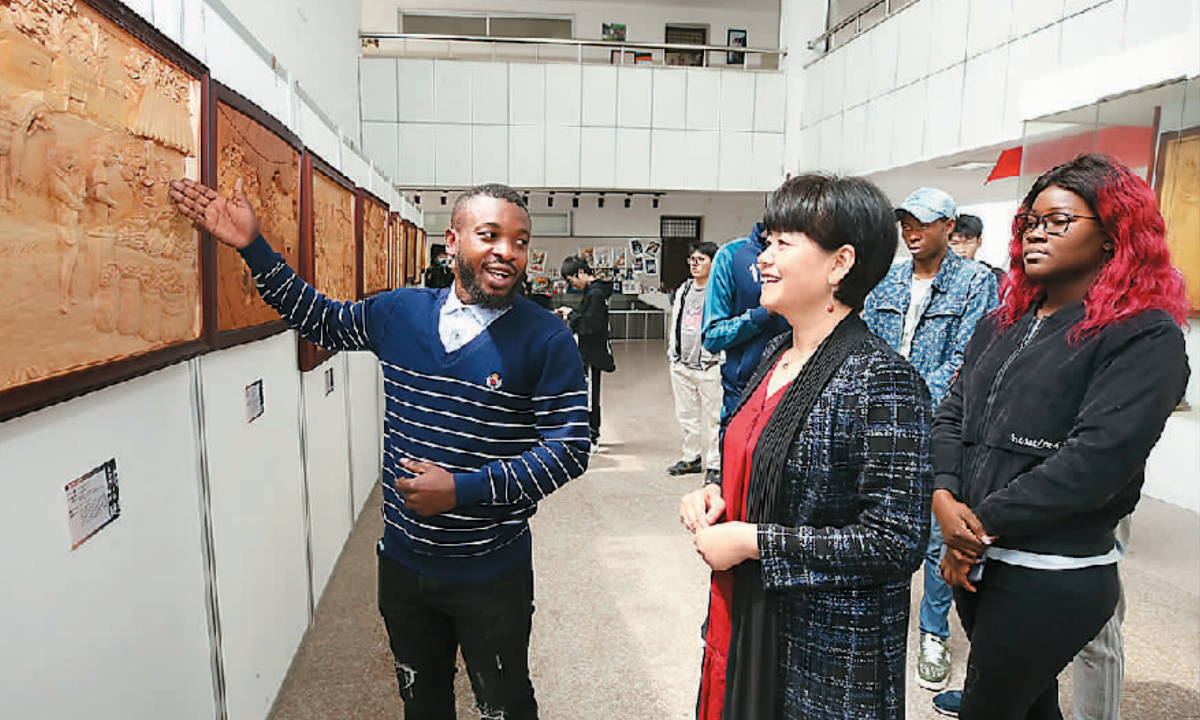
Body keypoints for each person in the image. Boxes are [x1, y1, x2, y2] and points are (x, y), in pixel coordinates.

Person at [169, 178, 590, 720]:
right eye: (489, 235)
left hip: (491, 572)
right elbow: (319, 318)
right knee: (421, 701)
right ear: (453, 241)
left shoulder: (545, 338)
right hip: (405, 567)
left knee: (503, 706)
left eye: (521, 241)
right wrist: (252, 245)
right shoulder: (400, 314)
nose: (507, 253)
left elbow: (570, 447)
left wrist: (462, 489)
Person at [930, 154, 1189, 720]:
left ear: (1112, 236)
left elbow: (1094, 464)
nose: (1036, 235)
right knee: (1031, 709)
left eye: (1058, 222)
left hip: (1050, 574)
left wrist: (973, 530)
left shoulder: (1144, 335)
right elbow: (952, 414)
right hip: (980, 561)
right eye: (1031, 222)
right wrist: (943, 495)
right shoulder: (1004, 322)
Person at [679, 174, 932, 720]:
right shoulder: (776, 352)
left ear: (840, 263)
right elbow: (757, 455)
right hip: (744, 616)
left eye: (782, 244)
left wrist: (756, 543)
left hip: (820, 650)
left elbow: (895, 543)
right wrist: (714, 491)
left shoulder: (881, 379)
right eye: (767, 242)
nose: (763, 259)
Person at [862, 186, 999, 692]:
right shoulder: (888, 280)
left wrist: (904, 400)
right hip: (879, 425)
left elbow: (968, 358)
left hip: (940, 427)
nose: (911, 232)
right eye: (905, 223)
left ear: (949, 225)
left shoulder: (974, 283)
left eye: (922, 222)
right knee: (882, 523)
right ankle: (883, 626)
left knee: (942, 532)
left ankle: (934, 631)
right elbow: (867, 344)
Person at [701, 221, 790, 419]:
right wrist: (762, 315)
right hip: (743, 396)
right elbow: (712, 337)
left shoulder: (812, 256)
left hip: (796, 393)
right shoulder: (732, 256)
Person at [666, 241, 722, 482]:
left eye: (701, 259)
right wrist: (673, 354)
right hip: (682, 364)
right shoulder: (684, 289)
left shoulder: (719, 289)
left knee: (714, 417)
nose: (695, 264)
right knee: (686, 415)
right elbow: (676, 320)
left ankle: (715, 463)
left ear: (713, 262)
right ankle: (692, 458)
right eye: (692, 259)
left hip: (710, 365)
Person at [557, 256, 614, 447]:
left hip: (592, 354)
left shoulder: (595, 294)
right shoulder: (594, 292)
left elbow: (591, 325)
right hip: (589, 352)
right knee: (588, 394)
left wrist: (572, 315)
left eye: (570, 279)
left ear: (580, 272)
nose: (571, 284)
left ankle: (592, 435)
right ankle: (589, 433)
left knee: (589, 396)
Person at [950, 213, 1005, 283]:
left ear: (979, 242)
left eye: (968, 242)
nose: (961, 249)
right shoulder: (939, 280)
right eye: (954, 243)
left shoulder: (995, 277)